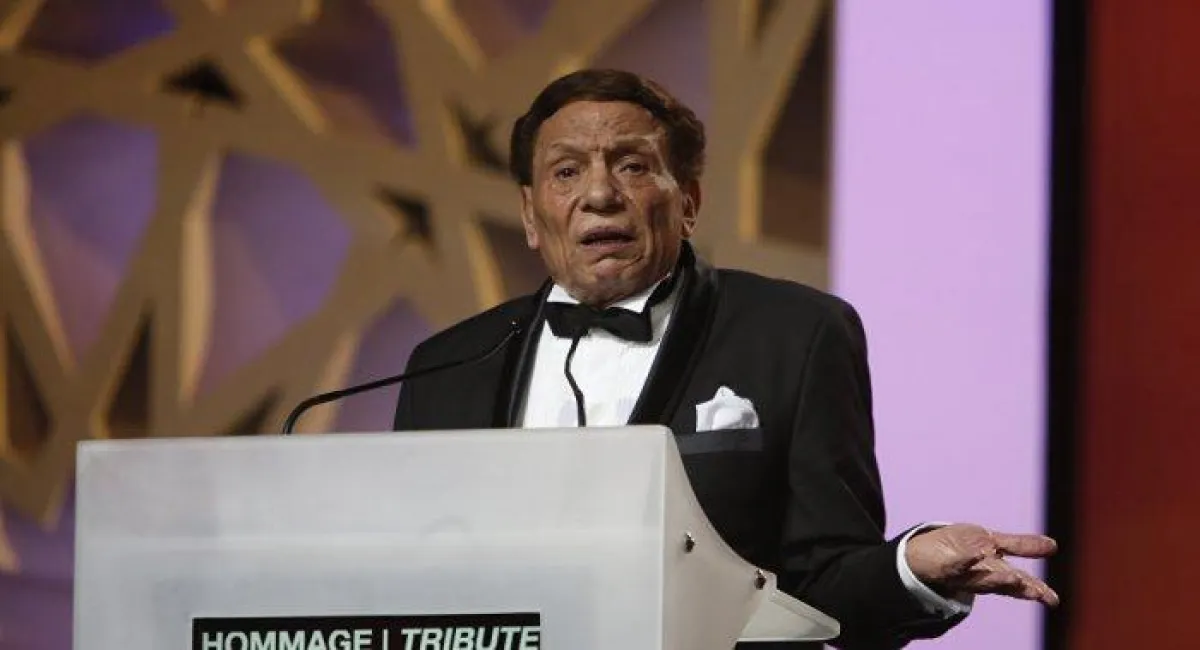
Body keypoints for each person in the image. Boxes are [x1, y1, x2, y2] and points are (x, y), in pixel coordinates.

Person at [393, 68, 1058, 649]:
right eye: (566, 172)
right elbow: (408, 588)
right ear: (530, 213)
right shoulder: (445, 368)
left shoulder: (795, 334)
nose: (599, 194)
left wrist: (911, 567)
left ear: (688, 201)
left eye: (631, 165)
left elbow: (825, 582)